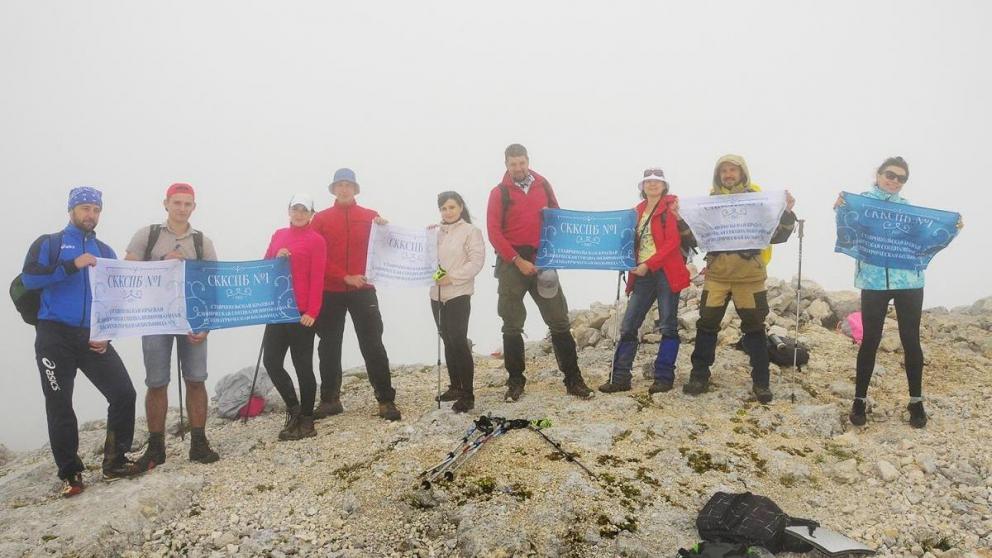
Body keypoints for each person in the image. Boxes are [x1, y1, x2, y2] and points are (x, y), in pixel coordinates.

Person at [22, 186, 143, 497]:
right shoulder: (50, 243)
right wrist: (71, 265)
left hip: (92, 336)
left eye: (96, 209)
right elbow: (30, 278)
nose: (91, 214)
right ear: (72, 211)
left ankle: (115, 460)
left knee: (123, 393)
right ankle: (71, 473)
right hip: (54, 335)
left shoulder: (105, 251)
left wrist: (107, 333)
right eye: (85, 208)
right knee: (60, 404)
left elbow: (116, 298)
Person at [835, 156, 963, 428]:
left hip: (909, 282)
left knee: (911, 340)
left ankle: (916, 401)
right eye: (890, 175)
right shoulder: (862, 203)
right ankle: (859, 399)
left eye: (901, 178)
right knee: (870, 340)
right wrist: (840, 210)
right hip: (873, 282)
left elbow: (926, 240)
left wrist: (950, 228)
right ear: (878, 174)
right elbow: (849, 236)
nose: (894, 181)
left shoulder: (909, 210)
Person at [678, 155, 797, 403]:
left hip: (749, 277)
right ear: (718, 175)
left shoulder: (760, 202)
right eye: (724, 171)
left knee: (754, 329)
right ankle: (699, 376)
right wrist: (680, 218)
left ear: (743, 173)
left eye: (733, 170)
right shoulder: (709, 204)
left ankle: (761, 383)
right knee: (706, 326)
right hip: (717, 276)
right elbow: (694, 239)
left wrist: (787, 213)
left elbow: (777, 236)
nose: (728, 175)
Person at [486, 143, 594, 401]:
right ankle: (515, 382)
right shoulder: (499, 192)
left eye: (521, 162)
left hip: (543, 259)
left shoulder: (543, 184)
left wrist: (558, 245)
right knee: (511, 324)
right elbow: (494, 232)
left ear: (528, 160)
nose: (518, 168)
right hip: (512, 264)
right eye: (513, 164)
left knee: (558, 320)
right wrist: (516, 259)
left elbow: (557, 216)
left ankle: (573, 379)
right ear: (506, 165)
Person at [127, 183, 220, 468]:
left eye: (187, 204)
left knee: (196, 379)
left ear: (194, 207)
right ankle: (156, 448)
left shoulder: (202, 241)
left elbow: (212, 284)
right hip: (155, 318)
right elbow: (126, 273)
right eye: (177, 203)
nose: (182, 208)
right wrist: (161, 262)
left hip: (192, 318)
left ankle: (199, 443)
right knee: (157, 382)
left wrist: (207, 323)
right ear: (165, 203)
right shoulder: (148, 235)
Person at [310, 168, 401, 421]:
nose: (343, 188)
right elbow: (318, 256)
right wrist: (343, 276)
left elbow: (388, 249)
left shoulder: (371, 216)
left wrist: (387, 230)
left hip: (364, 290)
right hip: (331, 290)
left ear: (355, 188)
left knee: (372, 344)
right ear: (333, 189)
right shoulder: (321, 219)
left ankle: (386, 400)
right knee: (329, 345)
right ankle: (330, 400)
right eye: (339, 184)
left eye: (348, 184)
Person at [598, 168, 690, 394]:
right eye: (648, 181)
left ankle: (663, 377)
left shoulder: (671, 209)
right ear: (642, 186)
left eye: (657, 181)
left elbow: (672, 242)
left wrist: (648, 264)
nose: (652, 185)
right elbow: (627, 240)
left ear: (664, 185)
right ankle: (620, 378)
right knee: (629, 325)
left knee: (668, 325)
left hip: (664, 272)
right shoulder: (635, 212)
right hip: (642, 274)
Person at [262, 194, 327, 439]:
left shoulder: (316, 240)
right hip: (278, 309)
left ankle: (307, 421)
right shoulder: (279, 235)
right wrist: (276, 256)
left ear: (311, 214)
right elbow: (264, 266)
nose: (299, 214)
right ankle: (295, 410)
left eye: (304, 210)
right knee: (272, 361)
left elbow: (317, 278)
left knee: (303, 367)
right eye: (295, 209)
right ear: (288, 211)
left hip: (302, 314)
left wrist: (312, 311)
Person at [430, 191, 486, 413]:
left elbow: (476, 261)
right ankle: (454, 385)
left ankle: (467, 394)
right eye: (443, 208)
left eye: (452, 207)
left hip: (459, 292)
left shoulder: (471, 231)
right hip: (436, 294)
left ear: (461, 207)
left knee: (459, 340)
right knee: (446, 338)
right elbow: (423, 257)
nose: (448, 212)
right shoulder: (435, 232)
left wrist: (451, 278)